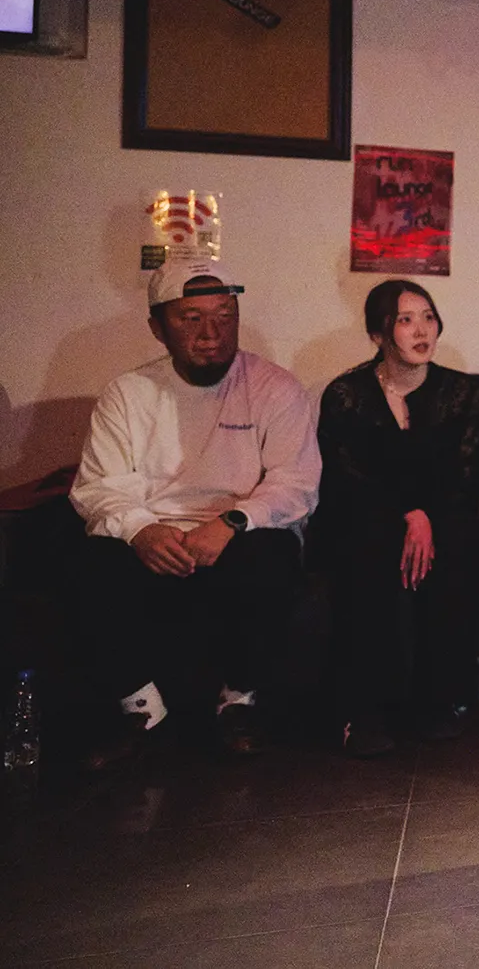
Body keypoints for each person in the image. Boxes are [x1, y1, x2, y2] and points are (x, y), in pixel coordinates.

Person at [70, 255, 320, 764]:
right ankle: (142, 710)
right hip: (156, 532)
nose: (212, 334)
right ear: (158, 328)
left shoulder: (274, 387)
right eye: (192, 319)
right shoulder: (128, 393)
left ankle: (239, 702)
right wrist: (141, 530)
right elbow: (99, 486)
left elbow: (296, 483)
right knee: (89, 558)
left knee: (271, 557)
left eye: (225, 316)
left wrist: (232, 522)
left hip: (238, 534)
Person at [312, 280, 479, 757]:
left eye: (429, 318)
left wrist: (427, 517)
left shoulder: (464, 393)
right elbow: (346, 476)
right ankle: (363, 708)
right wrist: (408, 515)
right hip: (368, 512)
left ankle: (440, 699)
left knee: (463, 541)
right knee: (368, 544)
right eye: (406, 320)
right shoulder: (346, 394)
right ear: (378, 334)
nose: (421, 331)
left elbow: (469, 474)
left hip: (443, 513)